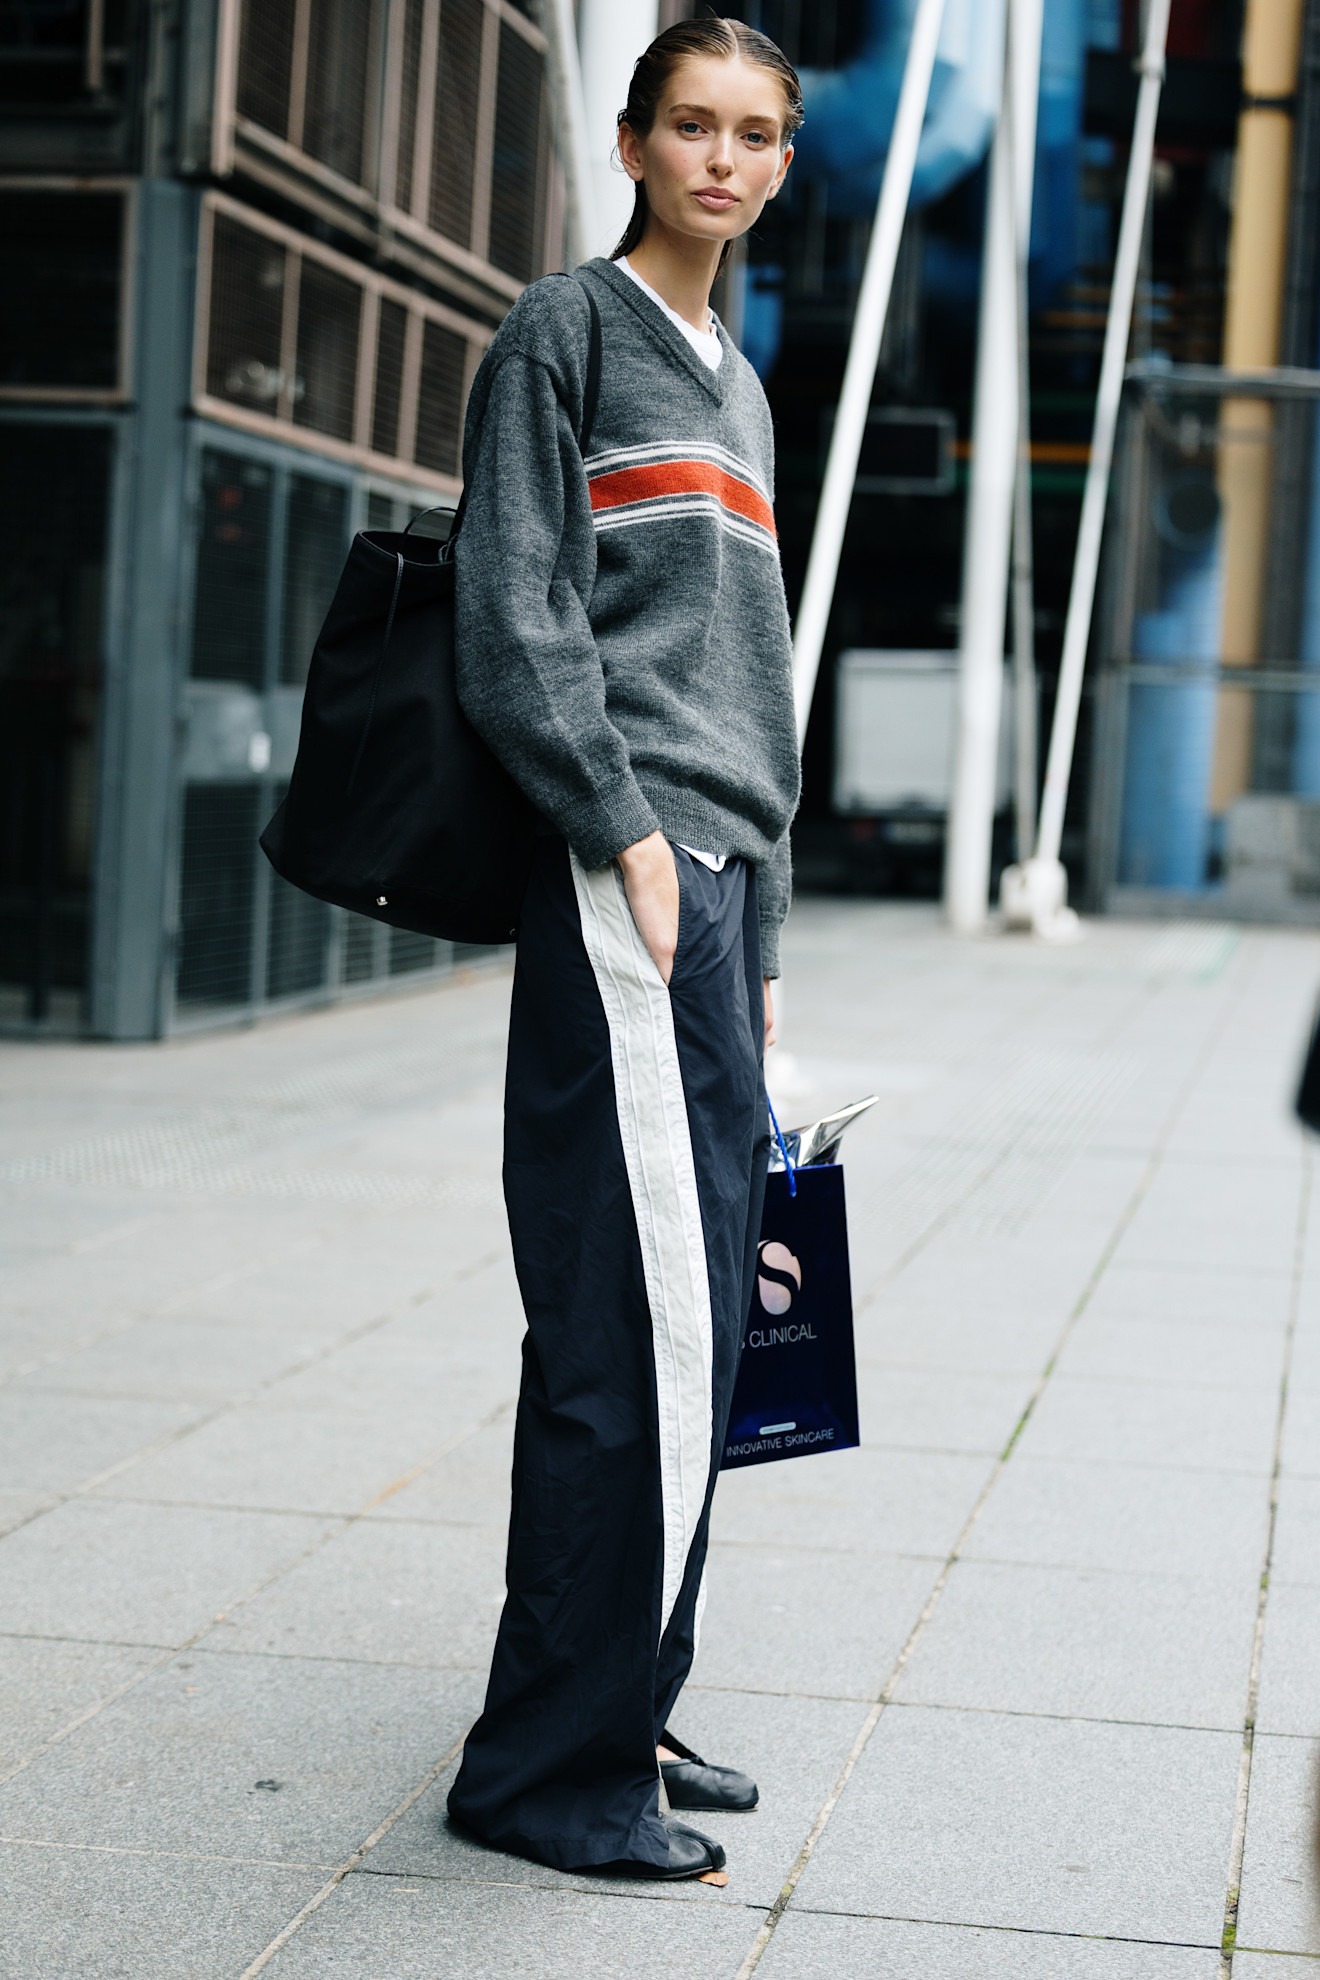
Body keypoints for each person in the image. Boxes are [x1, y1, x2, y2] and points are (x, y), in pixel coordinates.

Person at [447, 18, 802, 1882]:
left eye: (757, 135)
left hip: (715, 896)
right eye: (694, 126)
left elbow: (758, 688)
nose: (724, 161)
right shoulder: (563, 333)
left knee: (698, 1331)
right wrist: (627, 836)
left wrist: (765, 935)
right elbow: (516, 621)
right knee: (629, 1327)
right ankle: (548, 1776)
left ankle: (620, 1702)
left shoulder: (738, 384)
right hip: (629, 882)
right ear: (636, 139)